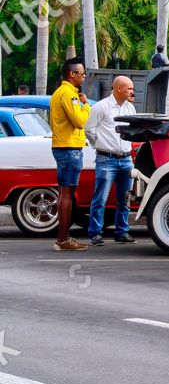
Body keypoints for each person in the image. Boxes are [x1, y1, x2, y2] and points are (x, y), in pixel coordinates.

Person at [85, 76, 137, 245]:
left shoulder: (130, 108)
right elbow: (89, 129)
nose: (132, 91)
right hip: (106, 158)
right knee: (100, 198)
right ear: (119, 88)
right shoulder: (101, 107)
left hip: (126, 158)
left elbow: (133, 131)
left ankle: (122, 231)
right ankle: (95, 233)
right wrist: (99, 145)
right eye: (129, 88)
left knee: (125, 198)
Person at [49, 59, 91, 251]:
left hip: (63, 147)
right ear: (71, 74)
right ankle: (62, 240)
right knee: (67, 194)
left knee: (64, 193)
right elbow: (79, 121)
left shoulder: (62, 92)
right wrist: (86, 105)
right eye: (81, 73)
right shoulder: (69, 95)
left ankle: (63, 238)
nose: (83, 76)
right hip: (69, 149)